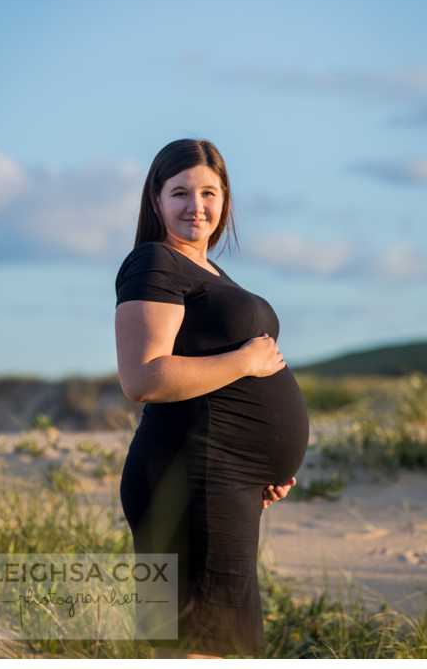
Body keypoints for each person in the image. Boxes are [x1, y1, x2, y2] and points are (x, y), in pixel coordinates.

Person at [115, 138, 310, 658]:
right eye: (179, 192)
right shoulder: (155, 263)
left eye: (209, 192)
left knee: (204, 645)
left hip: (224, 481)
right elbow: (142, 378)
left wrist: (256, 473)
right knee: (203, 648)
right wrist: (245, 362)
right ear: (155, 200)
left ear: (225, 200)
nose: (195, 206)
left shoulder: (208, 273)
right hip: (194, 475)